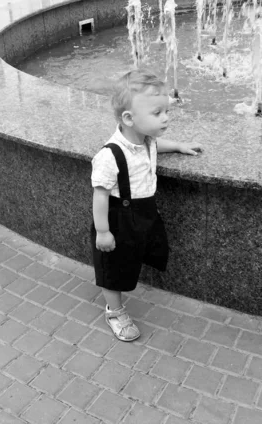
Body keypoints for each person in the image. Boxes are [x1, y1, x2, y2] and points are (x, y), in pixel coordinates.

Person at [91, 69, 202, 341]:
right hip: (117, 220)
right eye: (157, 113)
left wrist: (177, 146)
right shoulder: (110, 155)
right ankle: (114, 310)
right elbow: (100, 195)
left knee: (140, 252)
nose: (166, 117)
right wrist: (103, 231)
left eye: (166, 111)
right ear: (129, 118)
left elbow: (155, 145)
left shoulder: (145, 139)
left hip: (143, 213)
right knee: (112, 269)